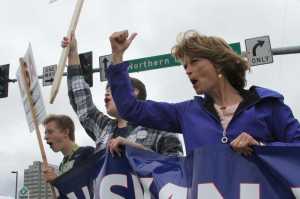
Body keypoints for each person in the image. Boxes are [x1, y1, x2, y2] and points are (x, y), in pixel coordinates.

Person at [106, 30, 300, 156]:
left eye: (194, 61)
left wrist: (261, 148)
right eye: (185, 66)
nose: (188, 70)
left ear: (218, 63)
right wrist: (117, 56)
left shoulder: (267, 105)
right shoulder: (186, 113)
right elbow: (130, 108)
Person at [63, 35, 183, 156]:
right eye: (106, 89)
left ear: (134, 92)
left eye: (112, 88)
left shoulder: (160, 125)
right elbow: (82, 102)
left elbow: (175, 164)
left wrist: (134, 149)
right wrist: (73, 52)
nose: (106, 92)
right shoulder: (104, 128)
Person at [42, 114, 94, 182]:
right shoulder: (62, 165)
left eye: (50, 132)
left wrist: (57, 180)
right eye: (45, 133)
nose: (45, 137)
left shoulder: (87, 152)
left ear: (65, 132)